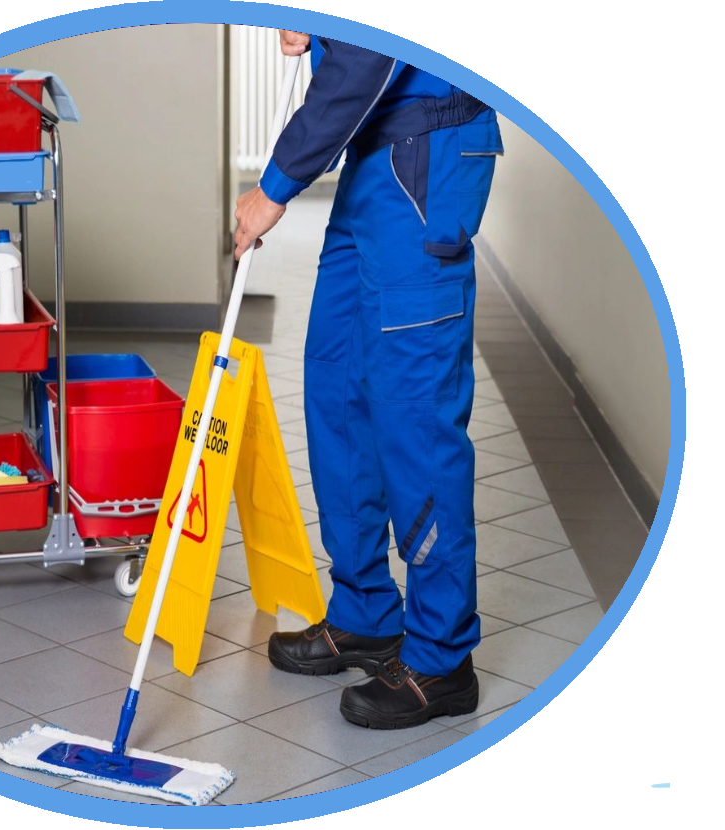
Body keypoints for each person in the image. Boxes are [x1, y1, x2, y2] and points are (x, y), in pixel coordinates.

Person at [234, 31, 502, 729]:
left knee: (413, 413)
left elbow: (369, 55)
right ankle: (365, 614)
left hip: (427, 155)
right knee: (338, 390)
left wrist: (274, 186)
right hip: (373, 160)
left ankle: (442, 659)